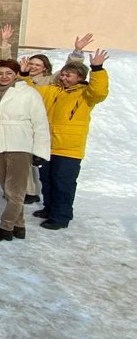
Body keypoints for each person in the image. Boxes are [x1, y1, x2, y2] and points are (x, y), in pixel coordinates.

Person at [31, 48, 109, 230]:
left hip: (69, 148)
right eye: (63, 74)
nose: (64, 78)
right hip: (48, 144)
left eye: (69, 76)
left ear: (80, 78)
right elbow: (32, 90)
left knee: (63, 183)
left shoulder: (85, 94)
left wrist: (97, 69)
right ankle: (49, 208)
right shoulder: (52, 90)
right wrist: (26, 74)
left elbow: (100, 91)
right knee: (48, 179)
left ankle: (61, 216)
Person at [0, 59, 51, 241]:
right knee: (7, 188)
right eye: (0, 74)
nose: (4, 77)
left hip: (19, 144)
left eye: (9, 73)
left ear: (16, 74)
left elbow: (40, 123)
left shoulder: (29, 93)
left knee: (15, 190)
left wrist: (40, 150)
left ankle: (5, 227)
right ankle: (19, 226)